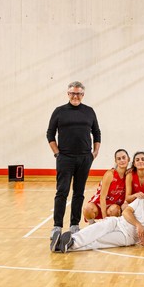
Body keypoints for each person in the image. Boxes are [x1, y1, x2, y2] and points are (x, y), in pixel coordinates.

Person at [46, 81, 101, 238]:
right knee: (62, 192)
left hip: (85, 158)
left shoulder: (89, 111)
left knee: (79, 192)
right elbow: (50, 134)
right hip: (65, 158)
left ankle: (74, 225)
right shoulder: (59, 111)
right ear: (68, 94)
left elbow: (97, 132)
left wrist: (94, 153)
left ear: (83, 95)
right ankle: (57, 226)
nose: (75, 96)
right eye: (72, 93)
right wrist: (57, 153)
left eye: (78, 93)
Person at [50, 183, 144, 253]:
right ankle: (70, 240)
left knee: (99, 241)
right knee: (95, 229)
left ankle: (67, 245)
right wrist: (138, 225)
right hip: (117, 222)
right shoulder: (142, 200)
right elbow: (126, 212)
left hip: (127, 236)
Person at [82, 149, 128, 224]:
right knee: (87, 208)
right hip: (99, 205)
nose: (122, 160)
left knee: (115, 210)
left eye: (124, 157)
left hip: (113, 207)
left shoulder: (129, 175)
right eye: (119, 159)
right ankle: (92, 225)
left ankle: (112, 226)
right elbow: (102, 197)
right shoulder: (110, 174)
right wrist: (104, 219)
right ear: (116, 161)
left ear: (128, 159)